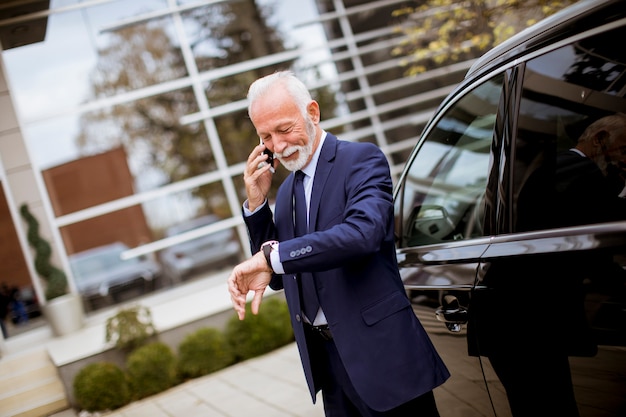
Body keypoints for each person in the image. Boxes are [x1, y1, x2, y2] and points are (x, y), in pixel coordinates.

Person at [227, 70, 450, 417]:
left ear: (312, 113)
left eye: (284, 129)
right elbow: (278, 275)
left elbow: (362, 235)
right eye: (265, 137)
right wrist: (257, 206)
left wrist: (273, 257)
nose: (278, 146)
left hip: (383, 359)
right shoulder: (285, 193)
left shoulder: (361, 160)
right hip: (329, 367)